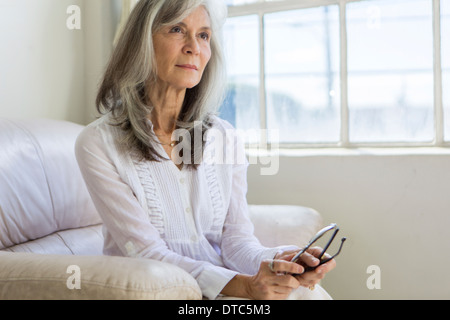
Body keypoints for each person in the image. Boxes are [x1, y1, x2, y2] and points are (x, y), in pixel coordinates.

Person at [75, 0, 336, 300]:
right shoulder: (97, 143)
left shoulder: (224, 137)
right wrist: (244, 286)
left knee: (311, 296)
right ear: (141, 43)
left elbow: (237, 241)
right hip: (159, 292)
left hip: (222, 287)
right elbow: (145, 253)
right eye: (177, 30)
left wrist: (281, 262)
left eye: (203, 35)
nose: (193, 47)